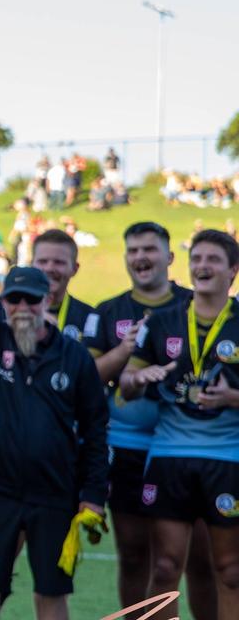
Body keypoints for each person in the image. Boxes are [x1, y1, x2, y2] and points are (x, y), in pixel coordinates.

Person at [0, 201, 108, 620]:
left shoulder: (75, 357)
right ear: (2, 303)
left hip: (55, 492)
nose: (22, 307)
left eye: (30, 299)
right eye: (13, 298)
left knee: (51, 594)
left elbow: (95, 431)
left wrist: (93, 495)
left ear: (46, 301)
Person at [90, 222, 215, 617]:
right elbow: (90, 380)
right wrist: (129, 373)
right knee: (133, 555)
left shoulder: (198, 304)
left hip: (189, 447)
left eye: (149, 249)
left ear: (169, 257)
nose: (141, 258)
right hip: (127, 449)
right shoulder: (108, 312)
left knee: (199, 559)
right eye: (133, 250)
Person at [122, 229, 239, 620]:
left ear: (233, 271)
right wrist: (139, 379)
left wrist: (231, 399)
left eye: (213, 260)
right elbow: (126, 385)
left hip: (227, 457)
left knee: (230, 570)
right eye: (197, 259)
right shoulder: (163, 321)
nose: (202, 266)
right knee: (166, 566)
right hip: (169, 454)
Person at [0, 229, 100, 347]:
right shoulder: (1, 307)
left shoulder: (89, 317)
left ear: (75, 269)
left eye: (59, 262)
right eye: (43, 261)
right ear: (31, 264)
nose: (49, 268)